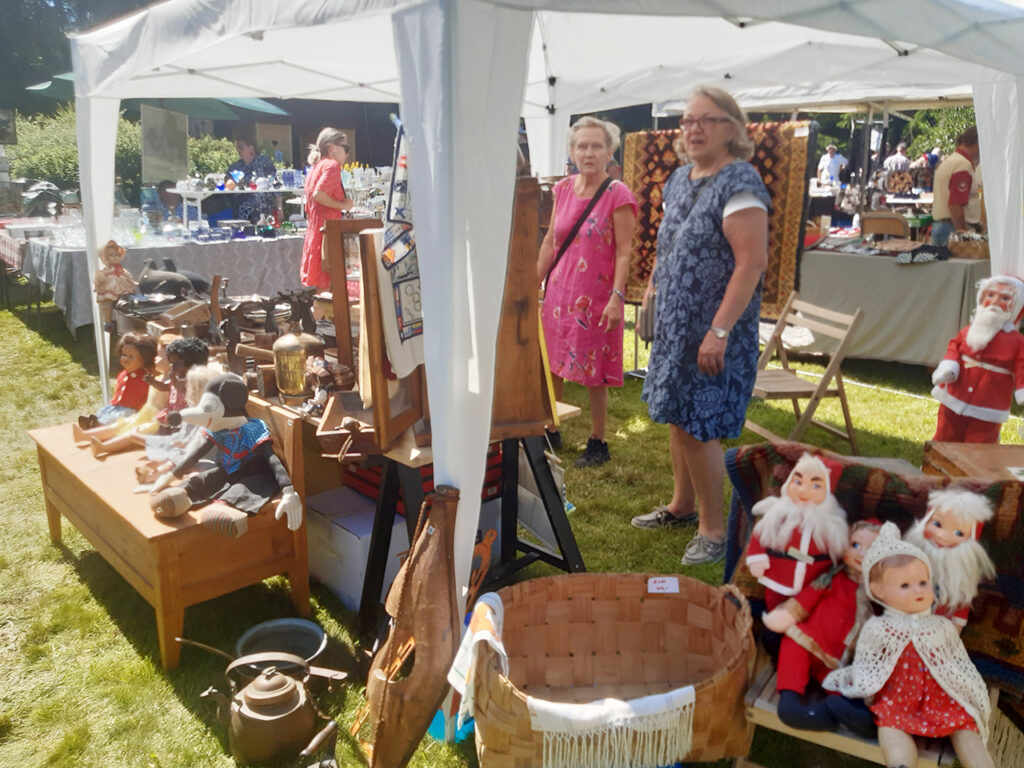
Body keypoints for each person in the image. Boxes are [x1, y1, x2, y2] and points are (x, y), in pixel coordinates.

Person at [631, 85, 769, 567]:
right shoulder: (678, 178)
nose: (693, 129)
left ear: (732, 128)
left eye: (706, 120)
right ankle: (682, 506)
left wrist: (720, 331)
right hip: (677, 326)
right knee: (678, 415)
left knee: (699, 423)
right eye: (688, 120)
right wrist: (651, 294)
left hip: (713, 329)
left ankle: (714, 530)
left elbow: (751, 264)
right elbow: (668, 246)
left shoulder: (740, 182)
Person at [823, 522, 994, 768]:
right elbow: (869, 664)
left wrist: (968, 691)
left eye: (923, 582)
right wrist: (868, 691)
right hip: (898, 698)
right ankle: (901, 764)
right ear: (878, 591)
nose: (918, 591)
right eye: (905, 585)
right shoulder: (878, 627)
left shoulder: (941, 626)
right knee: (890, 726)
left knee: (965, 726)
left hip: (942, 698)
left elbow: (956, 664)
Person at [538, 116, 637, 468]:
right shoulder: (563, 190)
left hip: (596, 297)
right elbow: (551, 241)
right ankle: (551, 426)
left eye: (596, 146)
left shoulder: (617, 194)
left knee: (595, 370)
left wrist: (616, 298)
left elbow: (624, 251)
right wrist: (534, 282)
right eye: (582, 146)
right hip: (559, 294)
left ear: (610, 152)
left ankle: (598, 440)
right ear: (572, 151)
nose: (589, 153)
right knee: (552, 362)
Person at [763, 520, 880, 731]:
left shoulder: (879, 593)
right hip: (807, 640)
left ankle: (848, 714)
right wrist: (786, 615)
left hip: (839, 658)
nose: (861, 554)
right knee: (792, 647)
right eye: (855, 545)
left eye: (872, 549)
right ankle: (790, 702)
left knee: (843, 684)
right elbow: (806, 599)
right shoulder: (831, 577)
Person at [744, 454, 849, 609]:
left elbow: (839, 552)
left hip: (812, 585)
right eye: (798, 482)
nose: (803, 490)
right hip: (778, 577)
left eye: (815, 486)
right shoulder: (778, 513)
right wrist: (757, 557)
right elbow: (760, 534)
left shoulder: (831, 524)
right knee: (773, 607)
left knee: (808, 611)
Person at [931, 275, 1024, 443]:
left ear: (1016, 305)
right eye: (990, 295)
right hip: (954, 396)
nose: (995, 301)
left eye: (1004, 298)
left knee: (979, 445)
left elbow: (1022, 365)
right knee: (945, 437)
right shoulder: (971, 330)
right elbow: (955, 347)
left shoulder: (1017, 342)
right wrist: (949, 366)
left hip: (989, 405)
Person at [903, 489, 996, 630]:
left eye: (959, 533)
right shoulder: (904, 564)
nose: (941, 536)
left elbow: (958, 619)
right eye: (937, 524)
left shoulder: (960, 586)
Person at [300, 127, 354, 290]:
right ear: (332, 148)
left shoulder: (315, 168)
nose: (348, 154)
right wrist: (343, 205)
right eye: (346, 148)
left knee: (322, 291)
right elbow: (319, 195)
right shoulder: (332, 165)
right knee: (331, 290)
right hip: (328, 233)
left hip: (316, 232)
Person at [931, 126, 980, 246]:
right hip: (953, 229)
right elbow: (955, 204)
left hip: (944, 227)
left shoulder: (951, 161)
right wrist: (963, 233)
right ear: (977, 143)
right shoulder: (962, 164)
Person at [226, 132, 277, 223]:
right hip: (242, 215)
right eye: (237, 147)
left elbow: (276, 184)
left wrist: (279, 209)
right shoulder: (236, 167)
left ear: (251, 148)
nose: (238, 150)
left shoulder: (264, 162)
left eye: (241, 147)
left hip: (264, 213)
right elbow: (227, 184)